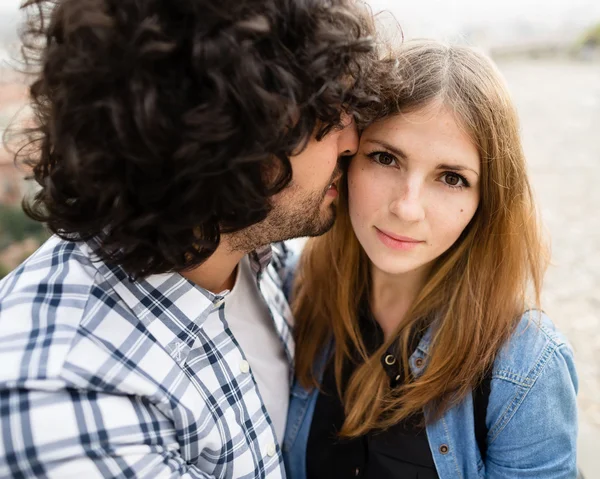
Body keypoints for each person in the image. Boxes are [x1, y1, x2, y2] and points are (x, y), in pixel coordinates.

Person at [0, 0, 382, 477]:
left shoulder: (256, 253)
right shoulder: (69, 398)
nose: (351, 142)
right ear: (224, 134)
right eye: (326, 114)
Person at [283, 40, 578, 479]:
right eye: (385, 158)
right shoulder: (294, 290)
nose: (408, 207)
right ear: (346, 160)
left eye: (452, 178)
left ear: (487, 199)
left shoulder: (526, 368)